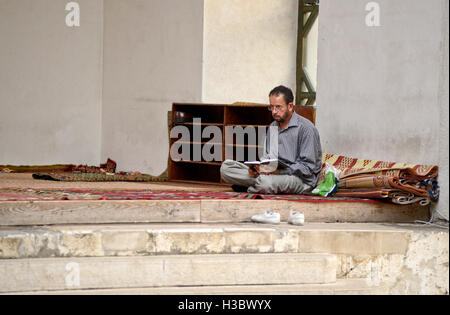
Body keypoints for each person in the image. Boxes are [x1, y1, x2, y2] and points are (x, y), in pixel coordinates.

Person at [220, 85, 323, 195]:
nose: (274, 111)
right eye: (271, 107)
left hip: (300, 180)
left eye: (278, 107)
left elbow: (307, 168)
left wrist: (280, 172)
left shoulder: (306, 128)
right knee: (226, 168)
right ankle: (257, 184)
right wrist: (258, 169)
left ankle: (251, 187)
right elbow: (268, 158)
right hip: (274, 175)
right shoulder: (273, 126)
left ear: (290, 106)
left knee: (266, 182)